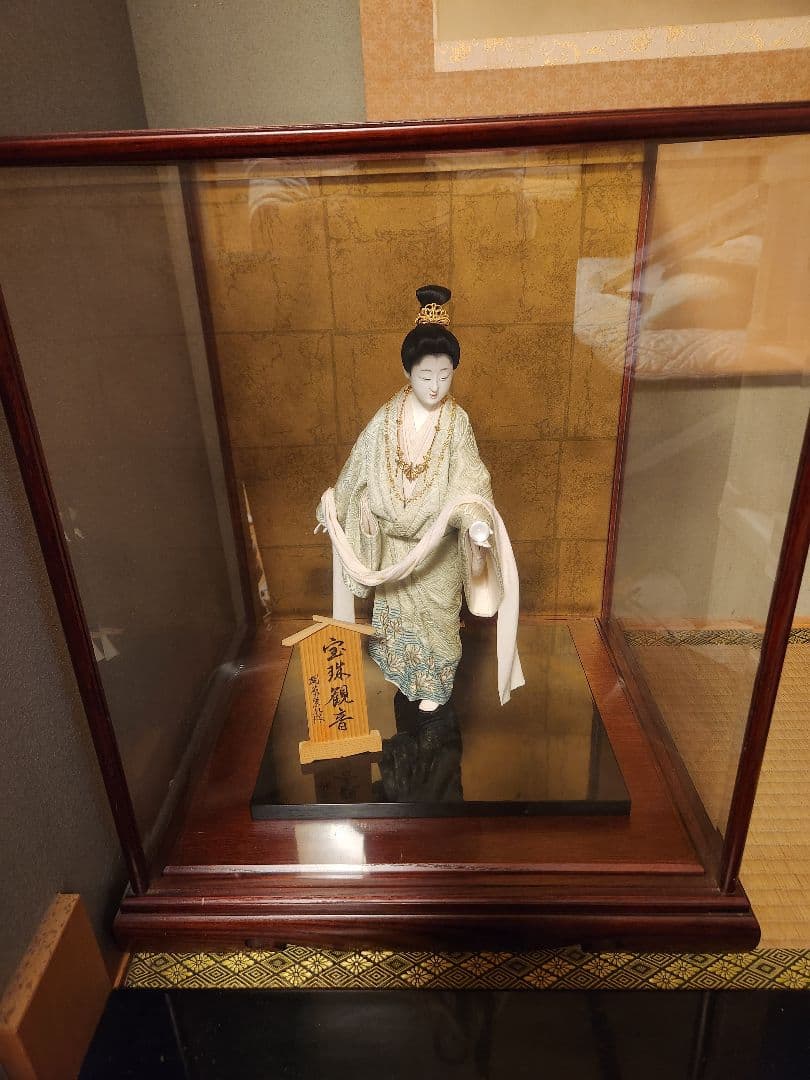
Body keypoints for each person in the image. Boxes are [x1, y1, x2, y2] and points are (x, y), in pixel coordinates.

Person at [317, 285, 523, 711]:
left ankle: (435, 686)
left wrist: (475, 522)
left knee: (438, 622)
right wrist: (336, 503)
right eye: (426, 376)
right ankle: (404, 677)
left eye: (445, 376)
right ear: (408, 371)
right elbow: (358, 466)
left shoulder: (456, 422)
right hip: (394, 546)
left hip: (435, 548)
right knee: (395, 623)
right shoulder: (386, 417)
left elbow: (469, 481)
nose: (435, 387)